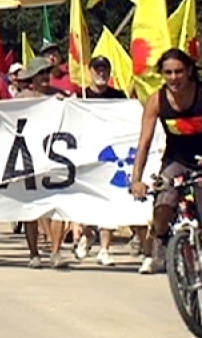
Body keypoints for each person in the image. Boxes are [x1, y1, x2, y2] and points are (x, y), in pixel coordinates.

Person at [130, 49, 202, 316]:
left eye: (178, 71)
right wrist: (136, 179)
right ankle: (162, 241)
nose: (174, 77)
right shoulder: (157, 101)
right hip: (177, 160)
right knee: (163, 202)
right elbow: (144, 143)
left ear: (188, 71)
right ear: (161, 75)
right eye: (168, 72)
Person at [72, 56, 127, 267]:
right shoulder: (81, 95)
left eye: (104, 69)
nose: (101, 73)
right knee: (86, 201)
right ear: (90, 71)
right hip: (87, 156)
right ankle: (87, 233)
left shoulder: (119, 97)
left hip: (111, 157)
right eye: (97, 69)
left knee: (108, 201)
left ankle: (105, 249)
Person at [14, 57, 68, 268]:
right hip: (28, 156)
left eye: (47, 72)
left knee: (58, 205)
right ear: (32, 78)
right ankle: (33, 253)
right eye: (40, 73)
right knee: (30, 207)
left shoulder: (59, 97)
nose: (45, 76)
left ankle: (55, 251)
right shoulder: (21, 99)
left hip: (55, 157)